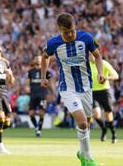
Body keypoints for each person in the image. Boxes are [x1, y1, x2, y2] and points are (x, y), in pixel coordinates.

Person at [41, 13, 104, 166]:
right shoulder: (54, 43)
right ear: (59, 30)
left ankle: (81, 152)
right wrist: (44, 76)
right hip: (68, 88)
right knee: (82, 123)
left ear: (74, 26)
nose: (69, 35)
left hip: (86, 87)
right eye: (65, 32)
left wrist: (101, 73)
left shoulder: (86, 38)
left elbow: (97, 55)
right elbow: (44, 57)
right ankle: (87, 159)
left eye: (71, 31)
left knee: (87, 123)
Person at [89, 54, 119, 143]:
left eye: (91, 54)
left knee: (108, 114)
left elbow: (116, 76)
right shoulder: (87, 65)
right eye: (88, 55)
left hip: (104, 91)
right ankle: (104, 129)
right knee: (96, 114)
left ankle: (114, 134)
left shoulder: (104, 63)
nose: (89, 57)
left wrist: (106, 78)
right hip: (93, 92)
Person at [26, 55, 55, 137]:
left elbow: (50, 83)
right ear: (34, 61)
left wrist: (52, 93)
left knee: (41, 113)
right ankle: (37, 127)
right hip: (33, 94)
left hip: (43, 94)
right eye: (36, 58)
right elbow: (27, 82)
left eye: (39, 59)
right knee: (31, 113)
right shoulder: (30, 71)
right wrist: (27, 87)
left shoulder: (46, 71)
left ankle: (39, 130)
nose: (38, 60)